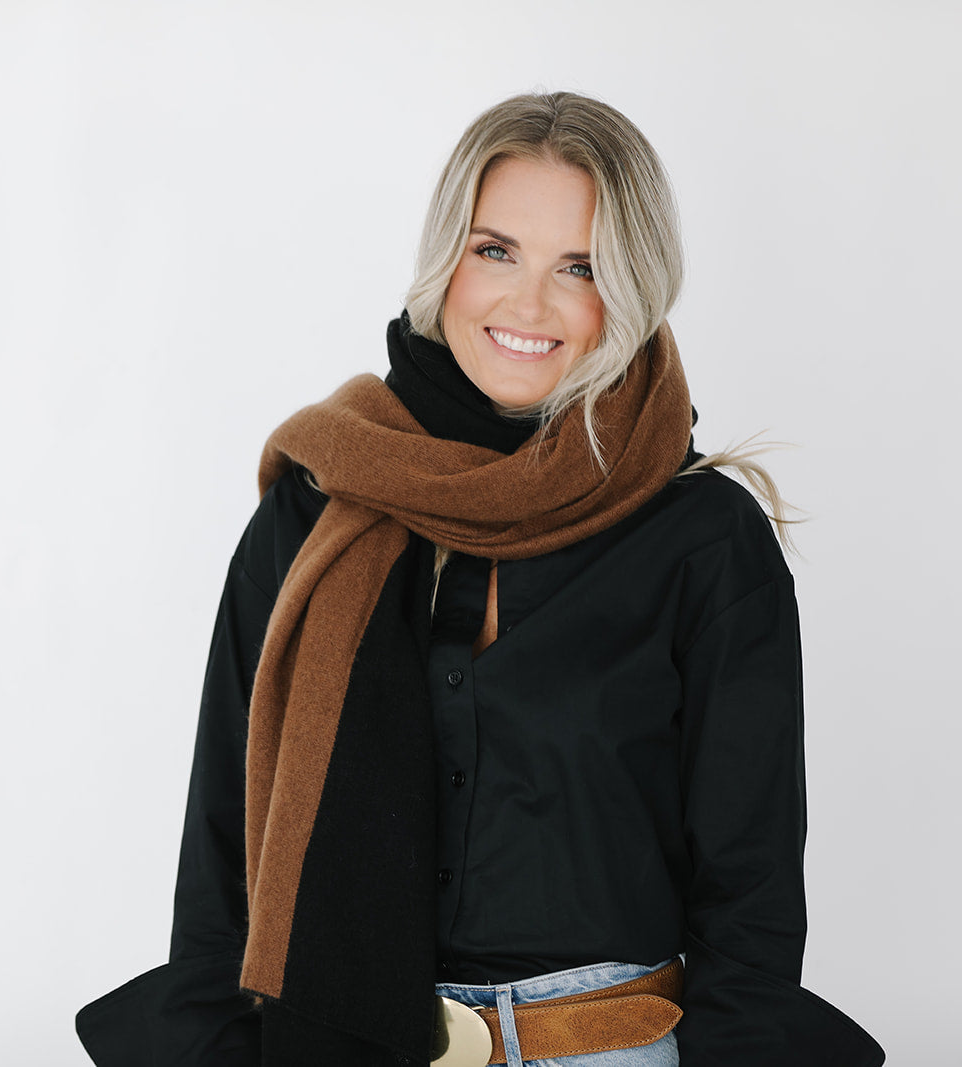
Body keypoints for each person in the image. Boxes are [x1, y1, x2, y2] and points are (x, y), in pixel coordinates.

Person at [75, 91, 884, 1067]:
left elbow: (747, 901)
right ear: (444, 257)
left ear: (629, 289)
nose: (527, 304)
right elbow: (222, 858)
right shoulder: (314, 509)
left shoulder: (701, 540)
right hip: (342, 1042)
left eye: (578, 267)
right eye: (494, 249)